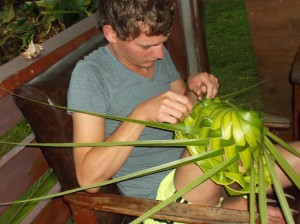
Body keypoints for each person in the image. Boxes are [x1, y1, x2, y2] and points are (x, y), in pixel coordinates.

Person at [67, 0, 299, 223]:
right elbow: (88, 180)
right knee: (217, 141)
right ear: (111, 34)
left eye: (162, 42)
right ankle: (229, 204)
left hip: (205, 173)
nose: (159, 54)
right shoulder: (91, 76)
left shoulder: (157, 56)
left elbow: (187, 113)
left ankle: (228, 202)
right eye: (147, 46)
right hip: (168, 201)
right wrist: (139, 116)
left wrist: (193, 89)